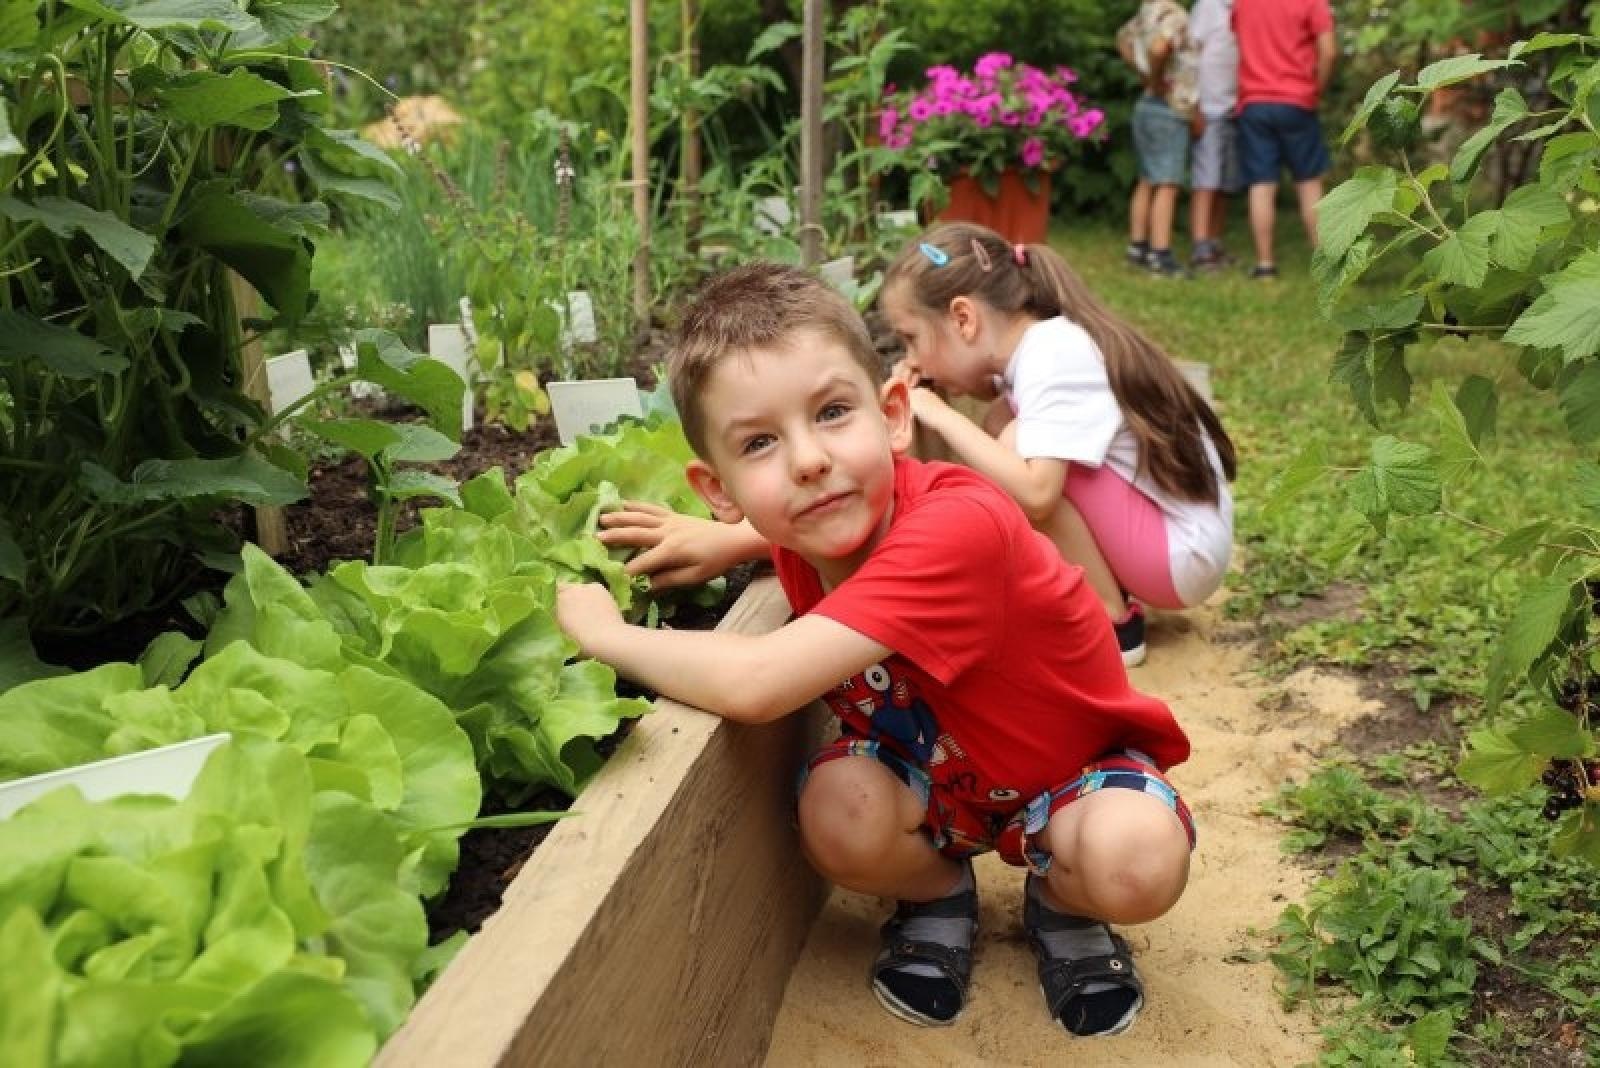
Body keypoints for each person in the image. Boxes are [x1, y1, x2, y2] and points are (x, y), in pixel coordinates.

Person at [558, 263, 1195, 1038]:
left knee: (1136, 861)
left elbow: (759, 683)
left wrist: (607, 636)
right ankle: (937, 894)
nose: (807, 461)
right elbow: (798, 516)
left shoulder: (958, 529)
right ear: (717, 486)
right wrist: (731, 543)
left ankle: (1061, 901)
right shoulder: (814, 520)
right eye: (758, 442)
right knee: (836, 815)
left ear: (893, 414)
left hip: (1074, 775)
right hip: (938, 779)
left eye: (832, 412)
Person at [879, 222, 1236, 668]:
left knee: (1013, 444)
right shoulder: (1042, 342)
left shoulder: (1054, 355)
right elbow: (992, 399)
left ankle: (1113, 623)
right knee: (1003, 423)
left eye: (910, 339)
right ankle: (1104, 591)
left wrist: (938, 413)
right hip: (1173, 543)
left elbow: (1038, 494)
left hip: (1181, 556)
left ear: (964, 318)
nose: (909, 359)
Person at [1231, 0, 1337, 278]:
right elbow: (1329, 52)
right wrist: (1316, 90)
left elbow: (1238, 43)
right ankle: (1325, 266)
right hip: (1297, 99)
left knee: (1261, 185)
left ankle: (1265, 265)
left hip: (1253, 101)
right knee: (1309, 183)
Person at [1117, 0, 1200, 278]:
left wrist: (1143, 75)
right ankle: (1160, 255)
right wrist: (1155, 78)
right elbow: (1158, 48)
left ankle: (1138, 247)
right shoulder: (1174, 15)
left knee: (1147, 179)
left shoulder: (1147, 11)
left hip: (1146, 107)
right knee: (1167, 183)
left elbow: (1122, 40)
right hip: (1169, 107)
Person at [1188, 0, 1243, 270]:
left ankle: (1214, 243)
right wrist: (1194, 104)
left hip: (1236, 107)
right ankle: (1200, 248)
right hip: (1208, 107)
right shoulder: (1207, 6)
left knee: (1225, 184)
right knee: (1206, 180)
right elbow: (1190, 55)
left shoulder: (1247, 8)